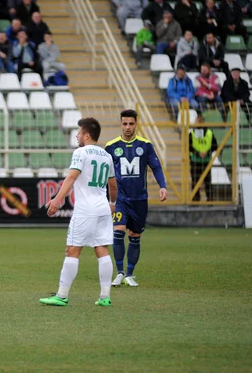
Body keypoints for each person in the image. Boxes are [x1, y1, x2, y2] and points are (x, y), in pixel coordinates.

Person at [39, 117, 118, 307]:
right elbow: (113, 185)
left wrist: (57, 200)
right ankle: (105, 296)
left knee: (72, 250)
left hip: (85, 209)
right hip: (102, 208)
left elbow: (72, 177)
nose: (77, 136)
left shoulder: (80, 152)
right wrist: (112, 203)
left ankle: (61, 295)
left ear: (87, 135)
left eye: (79, 133)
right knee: (102, 250)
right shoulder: (106, 155)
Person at [105, 109, 167, 287]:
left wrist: (163, 186)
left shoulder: (146, 145)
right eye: (124, 124)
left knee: (134, 235)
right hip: (121, 200)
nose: (128, 127)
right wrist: (109, 200)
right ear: (120, 124)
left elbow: (156, 167)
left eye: (131, 124)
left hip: (140, 199)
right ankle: (119, 273)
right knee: (118, 232)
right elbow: (105, 175)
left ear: (136, 124)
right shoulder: (111, 147)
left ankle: (129, 274)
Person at [189, 114, 217, 201]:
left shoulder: (208, 133)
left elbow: (214, 146)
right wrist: (199, 153)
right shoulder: (192, 133)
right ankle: (199, 199)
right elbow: (188, 147)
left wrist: (206, 153)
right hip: (196, 160)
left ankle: (206, 199)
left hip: (204, 161)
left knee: (205, 182)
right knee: (197, 182)